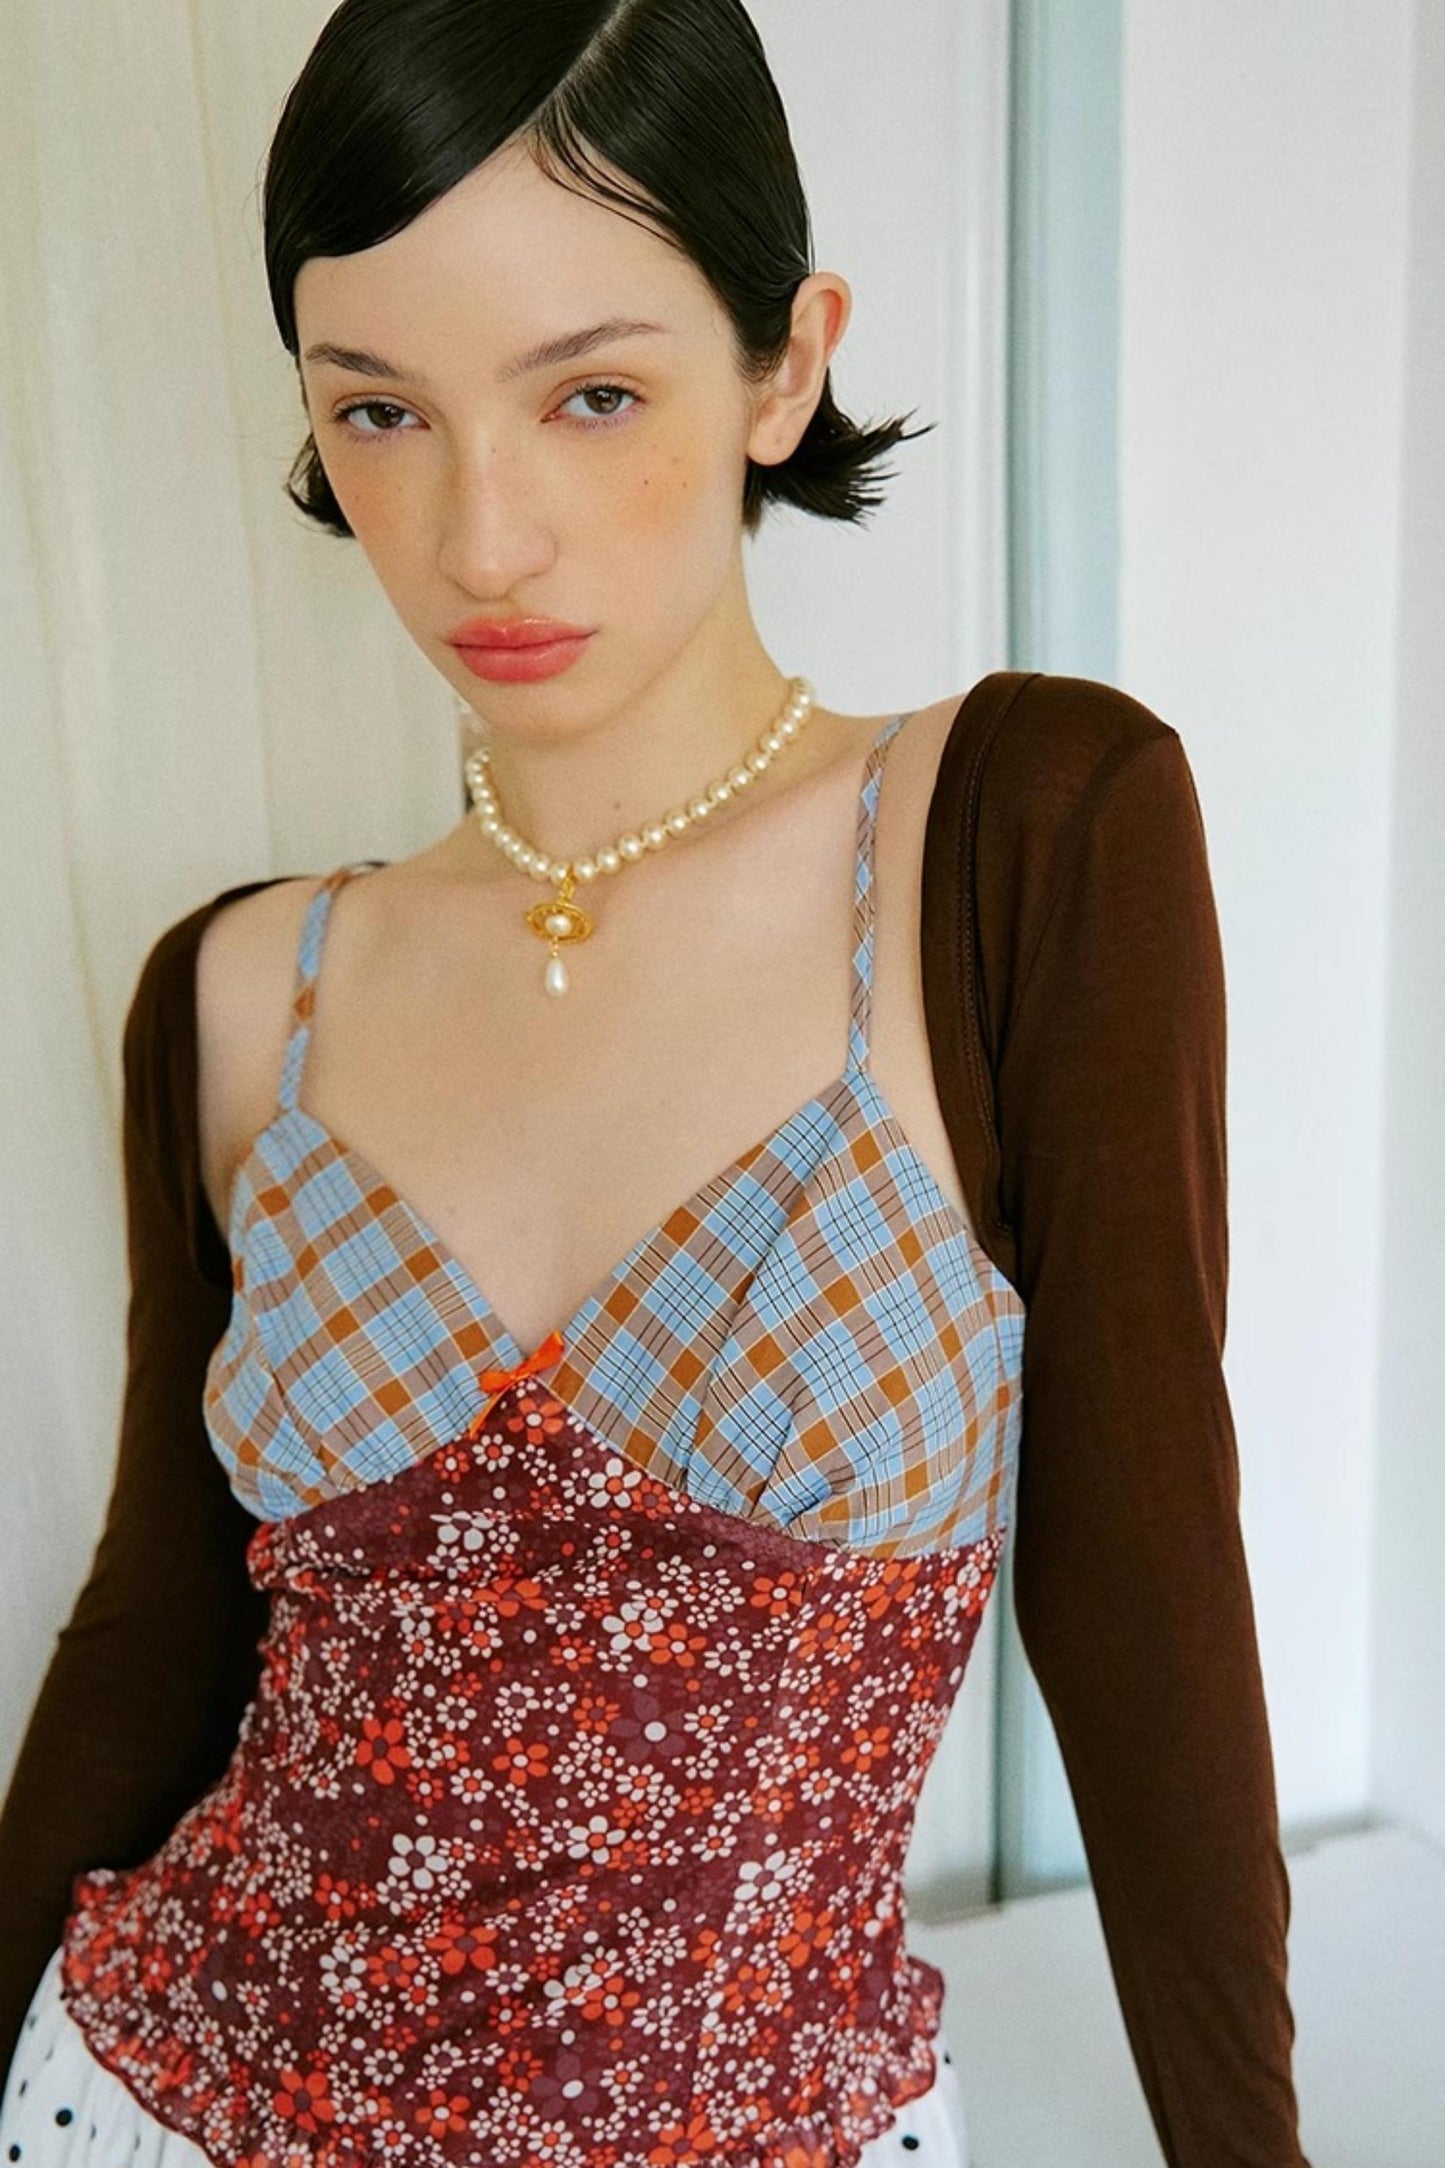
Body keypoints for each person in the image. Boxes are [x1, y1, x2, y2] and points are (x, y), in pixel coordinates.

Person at [0, 4, 1312, 2165]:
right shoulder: (239, 989)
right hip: (155, 2101)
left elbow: (1141, 1592)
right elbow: (156, 1633)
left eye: (590, 393)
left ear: (786, 363)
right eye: (381, 411)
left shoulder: (1014, 835)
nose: (480, 538)